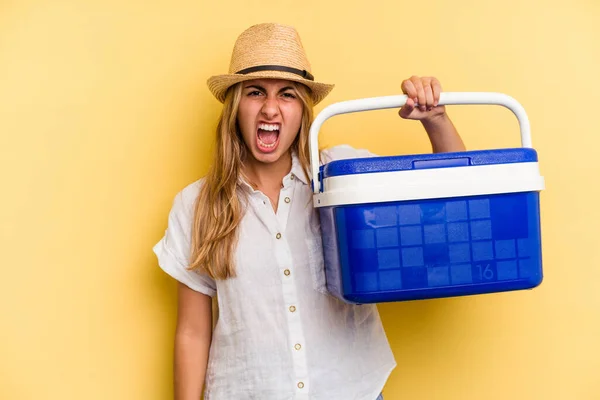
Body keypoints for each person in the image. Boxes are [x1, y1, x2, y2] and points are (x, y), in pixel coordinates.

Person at [153, 22, 465, 400]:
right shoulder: (196, 205)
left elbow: (453, 198)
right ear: (236, 106)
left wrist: (436, 119)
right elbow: (192, 332)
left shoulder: (344, 177)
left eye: (286, 94)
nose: (270, 108)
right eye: (255, 93)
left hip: (352, 390)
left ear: (303, 109)